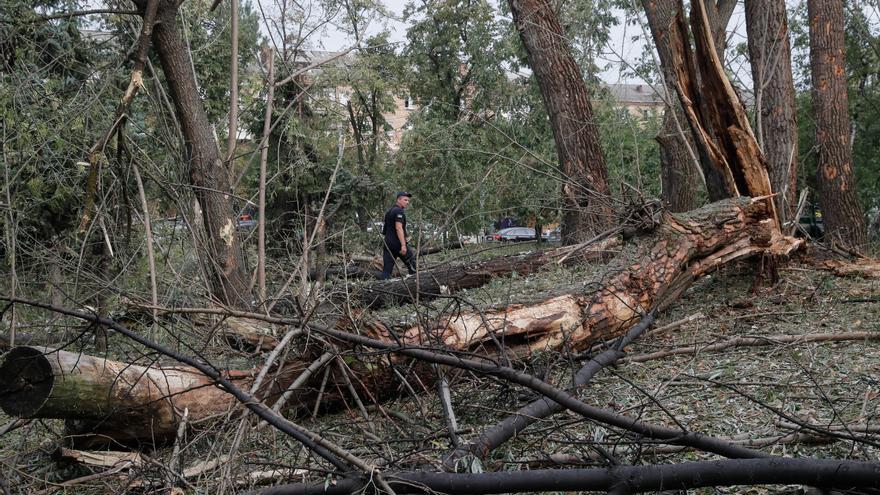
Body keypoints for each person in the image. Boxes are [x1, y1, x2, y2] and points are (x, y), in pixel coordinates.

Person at [380, 191, 417, 279]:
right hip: (398, 244)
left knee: (386, 270)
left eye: (408, 200)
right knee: (413, 265)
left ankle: (382, 288)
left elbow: (385, 230)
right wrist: (403, 245)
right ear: (398, 200)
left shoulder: (389, 211)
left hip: (387, 243)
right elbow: (398, 228)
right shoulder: (399, 211)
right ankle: (414, 286)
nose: (407, 202)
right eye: (405, 200)